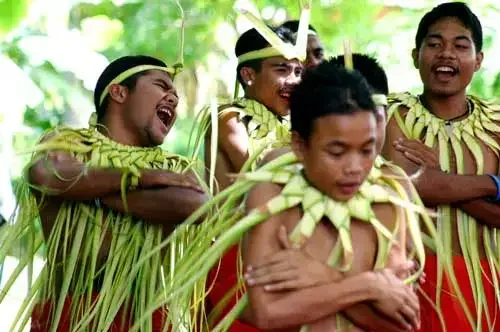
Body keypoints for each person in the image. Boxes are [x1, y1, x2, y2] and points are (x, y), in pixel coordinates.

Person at [167, 60, 427, 332]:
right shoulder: (272, 193)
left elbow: (401, 323)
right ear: (300, 145)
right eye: (337, 152)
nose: (354, 167)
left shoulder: (388, 201)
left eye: (366, 149)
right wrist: (366, 285)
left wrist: (324, 275)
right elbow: (266, 312)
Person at [0, 55, 208, 332]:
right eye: (161, 86)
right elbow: (47, 174)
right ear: (119, 92)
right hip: (71, 315)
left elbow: (196, 205)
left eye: (175, 94)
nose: (173, 98)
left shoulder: (173, 166)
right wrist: (145, 177)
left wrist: (85, 191)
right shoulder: (68, 142)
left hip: (145, 320)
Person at [381, 2, 500, 331]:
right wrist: (494, 184)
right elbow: (410, 184)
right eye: (434, 44)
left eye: (460, 45)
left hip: (488, 283)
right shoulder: (391, 115)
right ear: (415, 55)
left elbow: (421, 184)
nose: (446, 54)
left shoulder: (497, 126)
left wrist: (437, 181)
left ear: (478, 61)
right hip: (410, 280)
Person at [202, 25, 303, 331]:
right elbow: (261, 173)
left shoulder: (290, 129)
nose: (294, 80)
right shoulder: (229, 118)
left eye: (299, 71)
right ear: (248, 75)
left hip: (280, 259)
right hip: (237, 260)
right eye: (282, 69)